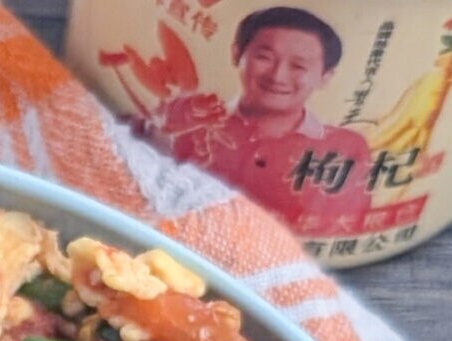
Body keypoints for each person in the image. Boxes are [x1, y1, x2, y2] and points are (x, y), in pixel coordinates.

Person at [151, 7, 375, 237]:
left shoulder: (345, 147)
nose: (278, 76)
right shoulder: (189, 120)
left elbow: (341, 226)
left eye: (298, 66)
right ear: (237, 54)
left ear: (325, 76)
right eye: (264, 57)